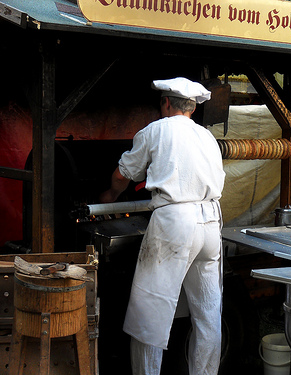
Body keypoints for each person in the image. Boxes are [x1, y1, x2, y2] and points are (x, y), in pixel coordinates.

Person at [100, 77, 226, 375]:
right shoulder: (207, 137)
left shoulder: (155, 130)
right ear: (192, 109)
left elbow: (122, 175)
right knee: (208, 315)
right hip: (210, 223)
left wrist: (110, 196)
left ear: (166, 103)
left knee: (151, 314)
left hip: (175, 224)